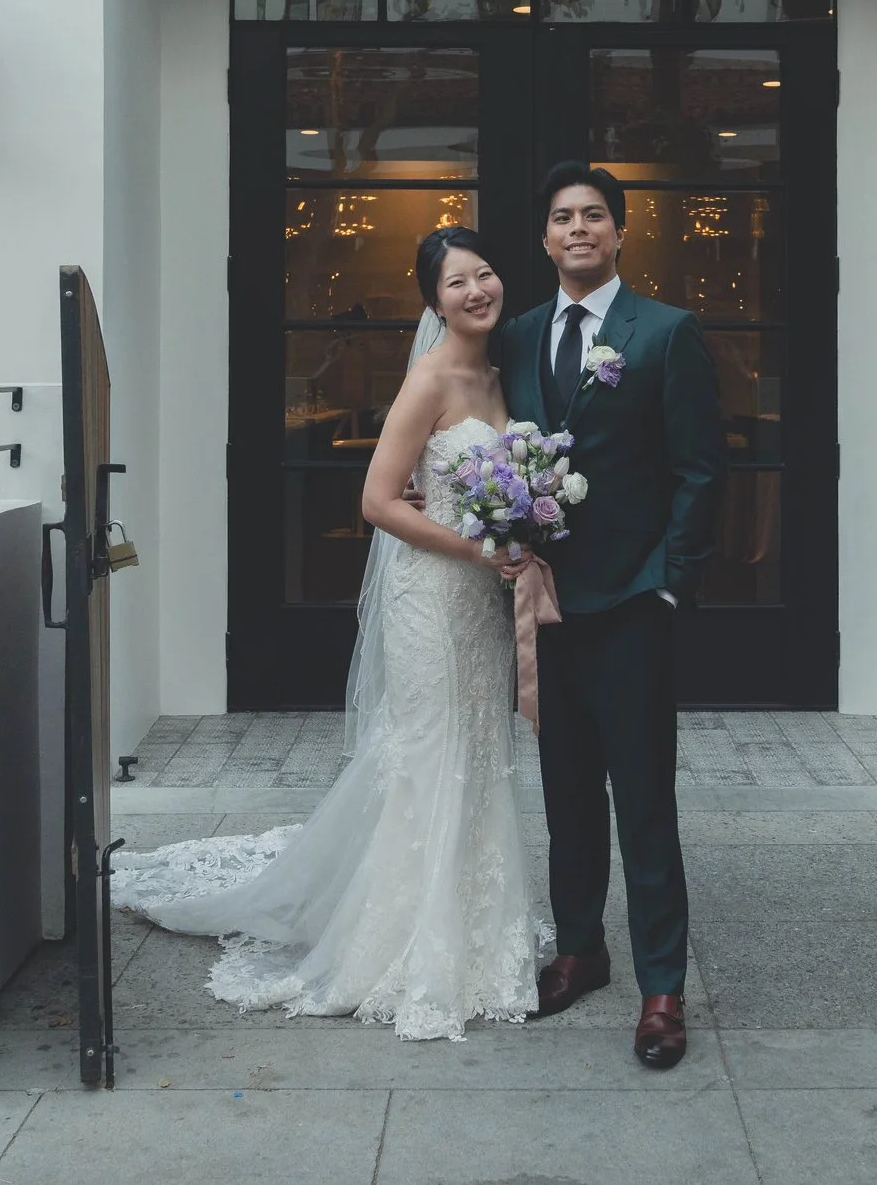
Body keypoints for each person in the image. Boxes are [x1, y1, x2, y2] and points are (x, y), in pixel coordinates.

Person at [111, 227, 548, 1041]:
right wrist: (482, 549)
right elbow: (379, 502)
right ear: (432, 300)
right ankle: (406, 939)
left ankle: (478, 924)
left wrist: (513, 539)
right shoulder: (429, 381)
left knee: (477, 750)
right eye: (457, 282)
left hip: (483, 599)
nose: (477, 290)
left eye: (485, 273)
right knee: (429, 753)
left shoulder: (501, 372)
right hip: (433, 591)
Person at [495, 161, 726, 1070]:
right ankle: (581, 947)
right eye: (562, 217)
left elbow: (701, 468)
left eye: (595, 214)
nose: (579, 228)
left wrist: (668, 579)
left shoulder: (665, 332)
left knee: (644, 799)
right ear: (545, 238)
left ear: (620, 232)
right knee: (565, 790)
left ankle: (662, 984)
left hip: (632, 600)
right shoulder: (516, 336)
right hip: (545, 605)